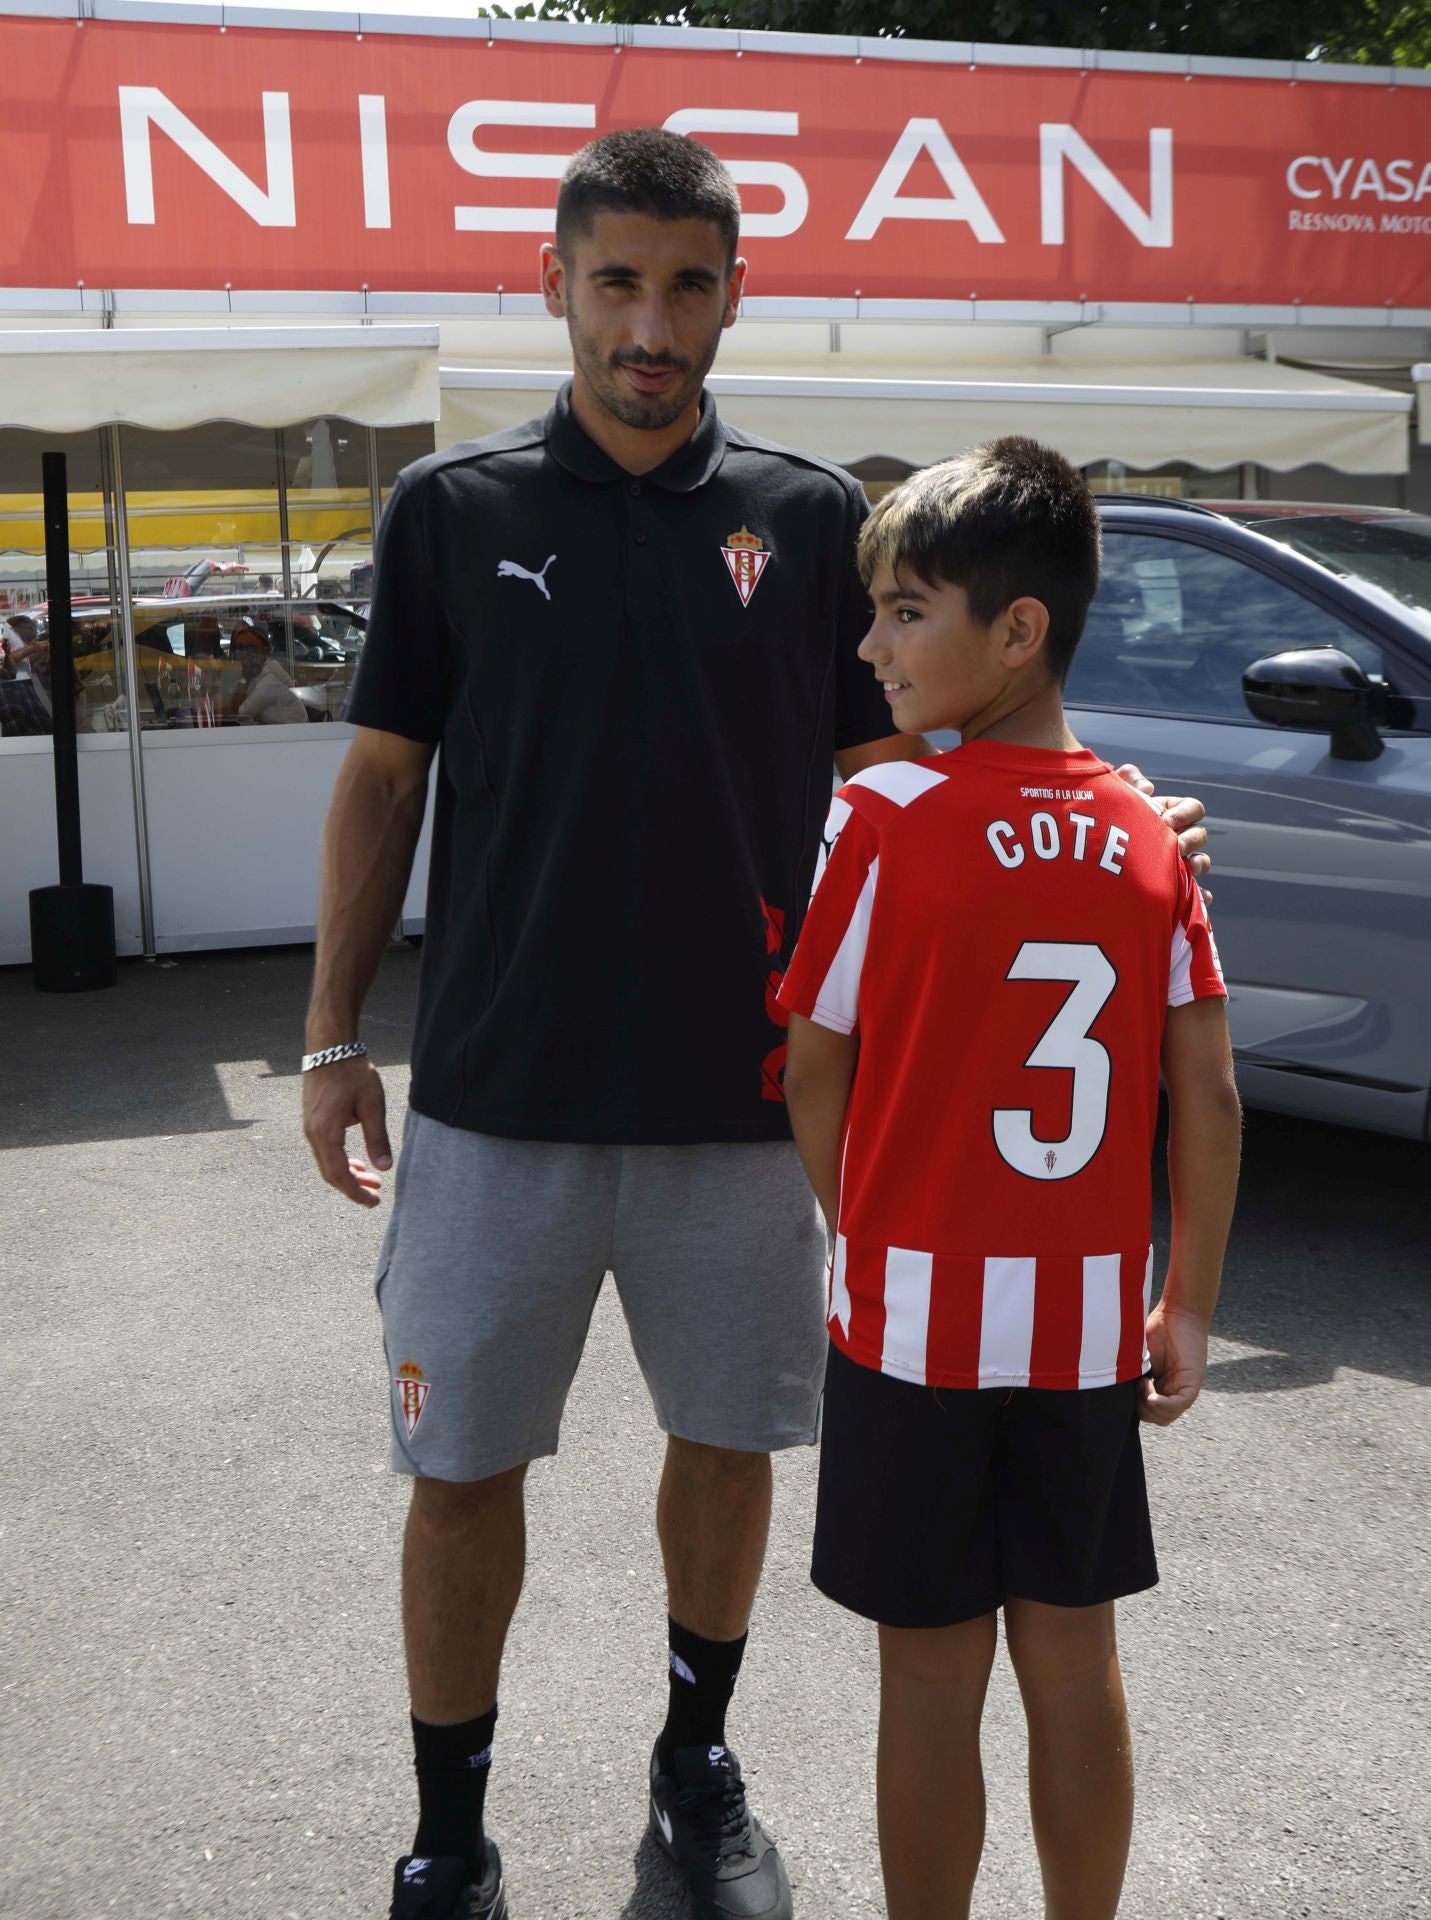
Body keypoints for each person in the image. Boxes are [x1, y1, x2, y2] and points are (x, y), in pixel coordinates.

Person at [301, 130, 1210, 1920]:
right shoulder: (451, 514)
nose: (652, 321)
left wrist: (1118, 817)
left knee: (725, 1459)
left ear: (732, 295)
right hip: (498, 1100)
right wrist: (334, 1035)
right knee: (461, 1475)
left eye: (688, 283)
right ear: (553, 284)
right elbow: (381, 783)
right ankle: (447, 1833)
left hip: (742, 1112)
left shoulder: (804, 523)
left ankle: (692, 1773)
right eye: (617, 280)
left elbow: (928, 771)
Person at [778, 440, 1241, 1920]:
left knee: (924, 1671)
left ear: (1016, 628)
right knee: (1071, 1653)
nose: (871, 644)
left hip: (913, 1318)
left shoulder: (881, 819)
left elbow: (809, 1067)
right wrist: (1186, 1303)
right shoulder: (1144, 838)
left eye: (904, 611)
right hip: (1087, 1325)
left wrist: (861, 1232)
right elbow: (1207, 1092)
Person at [232, 617, 307, 725]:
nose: (246, 653)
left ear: (266, 649)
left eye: (252, 648)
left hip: (293, 735)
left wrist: (245, 677)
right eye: (241, 648)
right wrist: (245, 677)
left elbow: (241, 713)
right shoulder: (255, 670)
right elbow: (236, 709)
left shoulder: (272, 676)